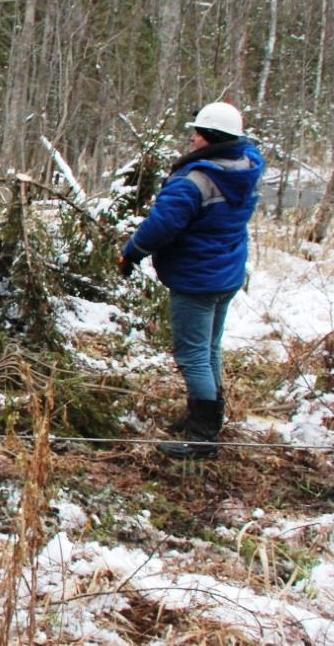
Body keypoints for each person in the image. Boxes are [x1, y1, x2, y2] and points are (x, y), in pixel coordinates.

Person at [118, 102, 263, 459]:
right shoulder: (245, 167)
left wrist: (132, 251)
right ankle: (210, 419)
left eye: (197, 132)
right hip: (226, 274)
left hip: (196, 279)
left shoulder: (194, 181)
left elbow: (162, 226)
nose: (193, 138)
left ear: (211, 137)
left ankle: (200, 439)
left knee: (193, 354)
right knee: (209, 348)